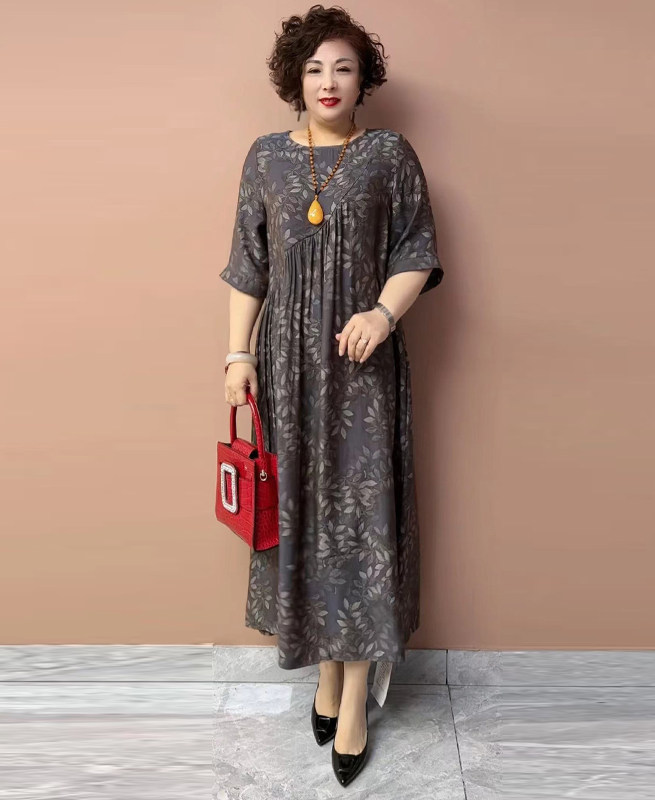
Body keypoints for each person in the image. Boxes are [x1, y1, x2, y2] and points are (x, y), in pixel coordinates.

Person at [220, 5, 444, 787]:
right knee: (304, 519)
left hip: (362, 370)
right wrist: (237, 353)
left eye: (343, 67)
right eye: (315, 67)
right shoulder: (265, 158)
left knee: (359, 525)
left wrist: (383, 315)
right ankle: (323, 669)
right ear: (294, 78)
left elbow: (417, 250)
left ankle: (353, 699)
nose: (328, 81)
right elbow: (248, 264)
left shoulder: (389, 155)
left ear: (362, 80)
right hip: (285, 368)